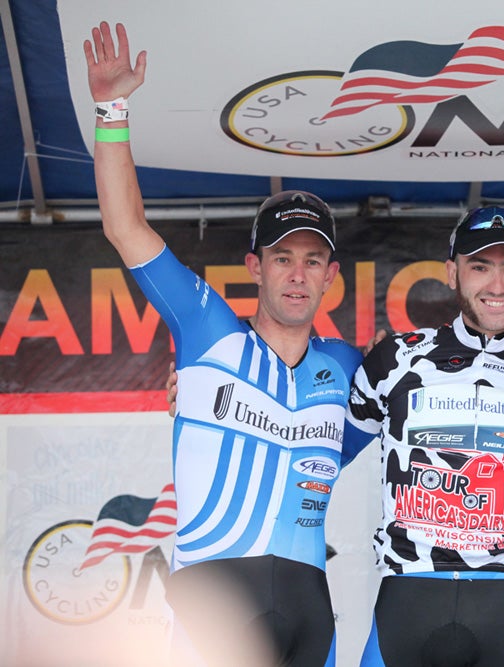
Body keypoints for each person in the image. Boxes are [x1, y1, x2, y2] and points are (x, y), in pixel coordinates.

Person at [85, 21, 371, 667]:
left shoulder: (348, 366)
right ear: (255, 266)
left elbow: (376, 425)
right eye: (282, 258)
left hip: (308, 602)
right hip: (214, 596)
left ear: (331, 276)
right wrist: (112, 108)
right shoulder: (205, 326)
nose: (297, 274)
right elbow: (125, 227)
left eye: (312, 260)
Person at [348, 206, 504, 666]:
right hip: (408, 601)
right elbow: (320, 449)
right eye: (479, 267)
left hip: (503, 612)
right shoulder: (395, 361)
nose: (496, 286)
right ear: (453, 273)